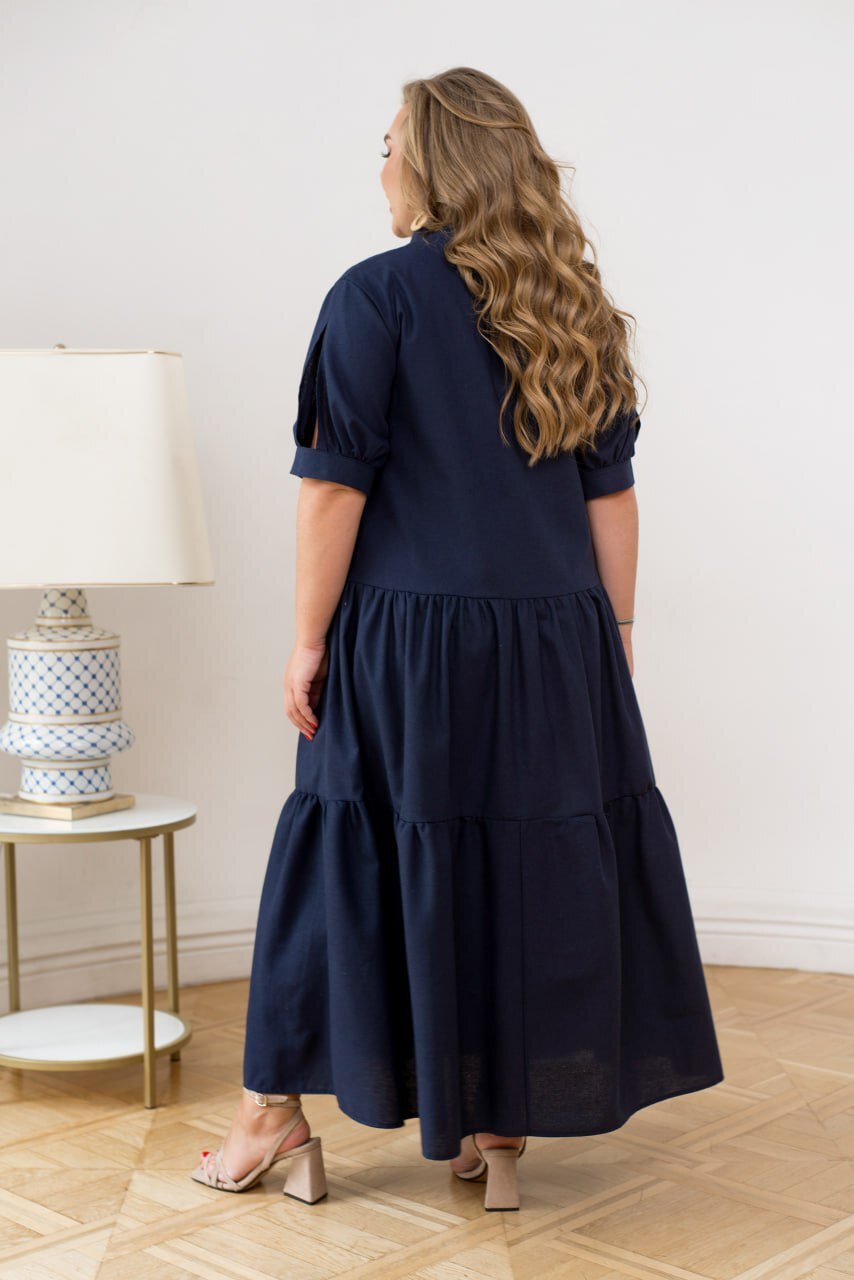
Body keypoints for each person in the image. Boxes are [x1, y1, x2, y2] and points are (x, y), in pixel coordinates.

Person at [191, 66, 724, 1212]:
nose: (378, 165)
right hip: (556, 636)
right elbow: (610, 494)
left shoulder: (373, 296)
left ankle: (271, 1111)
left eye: (388, 143)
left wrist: (304, 638)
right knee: (524, 865)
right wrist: (614, 632)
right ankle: (497, 1119)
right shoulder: (569, 302)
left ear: (431, 163)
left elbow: (334, 487)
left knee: (343, 856)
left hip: (407, 642)